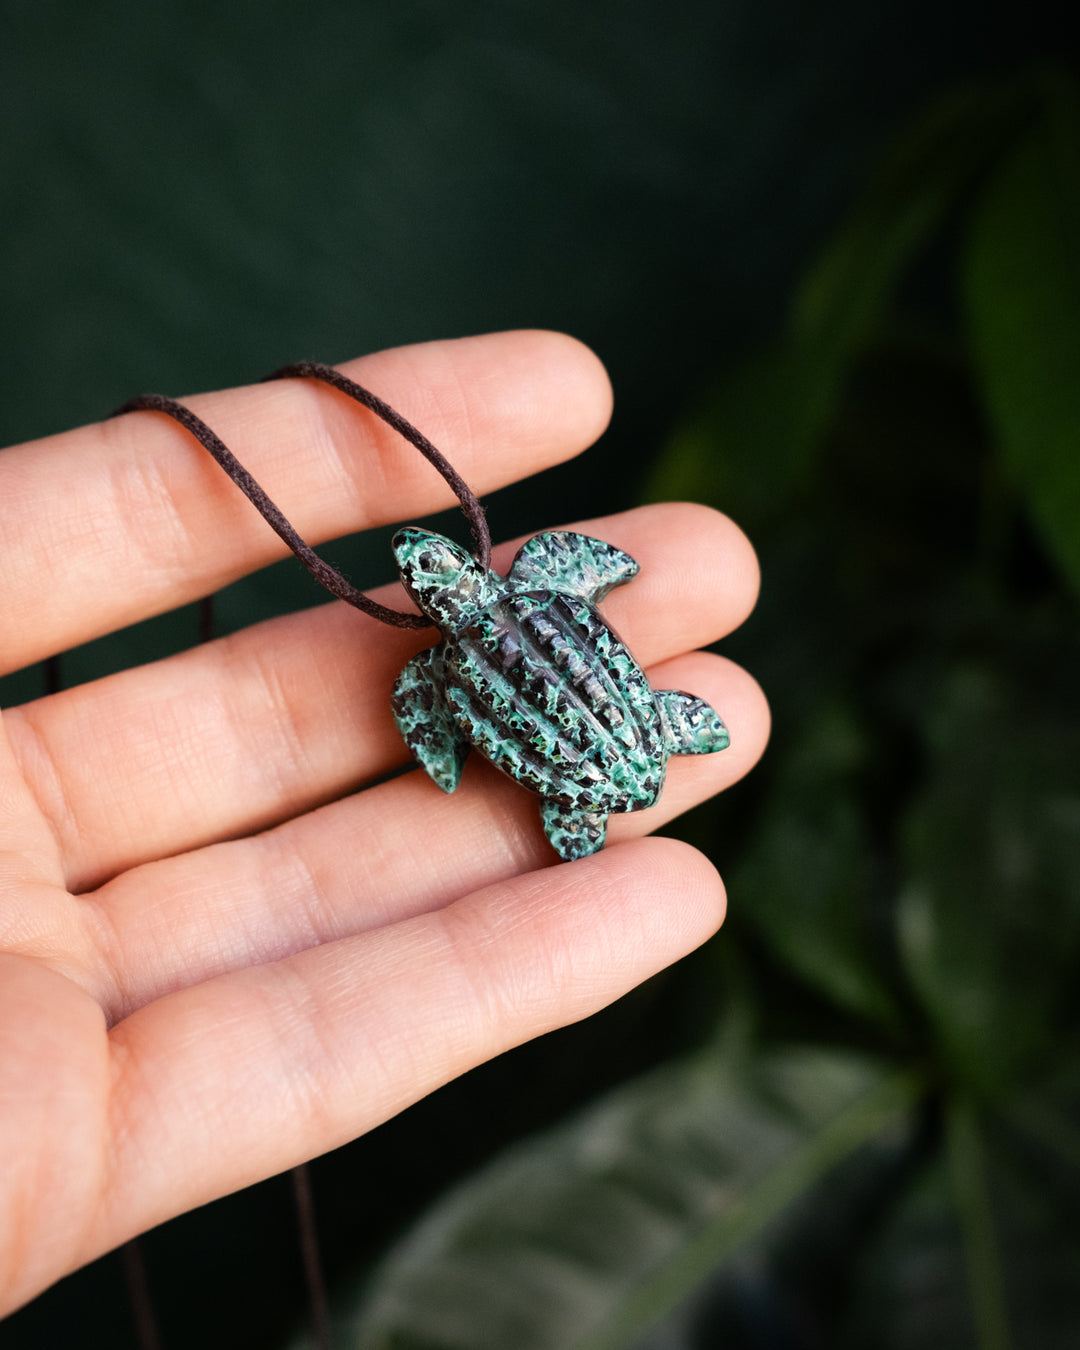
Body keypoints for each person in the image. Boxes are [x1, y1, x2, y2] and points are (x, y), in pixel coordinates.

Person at [0, 330, 768, 1316]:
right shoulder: (535, 585)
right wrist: (594, 578)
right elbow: (586, 568)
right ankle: (664, 731)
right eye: (427, 568)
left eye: (429, 566)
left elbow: (440, 720)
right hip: (628, 727)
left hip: (576, 777)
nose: (420, 566)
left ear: (444, 585)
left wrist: (445, 755)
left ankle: (632, 756)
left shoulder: (440, 669)